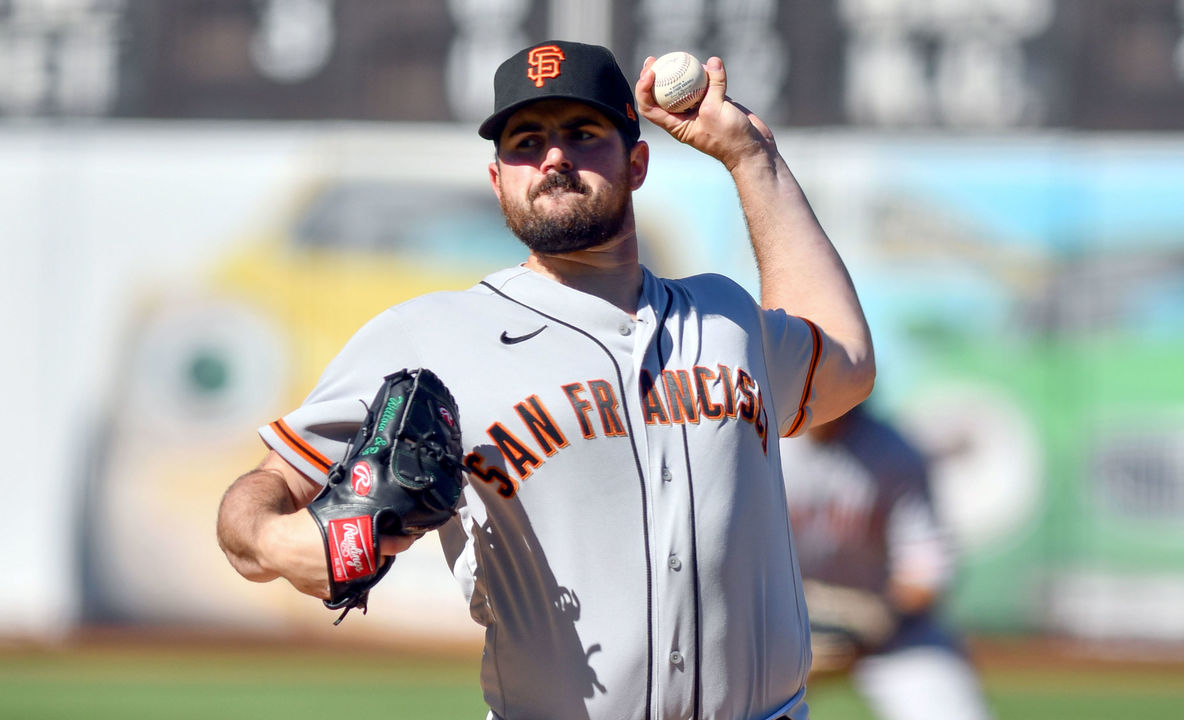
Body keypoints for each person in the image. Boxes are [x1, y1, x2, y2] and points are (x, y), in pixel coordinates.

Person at [216, 40, 874, 720]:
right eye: (527, 141)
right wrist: (276, 541)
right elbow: (257, 499)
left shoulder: (726, 316)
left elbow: (847, 365)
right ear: (499, 179)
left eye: (583, 135)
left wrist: (750, 156)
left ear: (638, 163)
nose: (554, 158)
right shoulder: (431, 336)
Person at [780, 404, 993, 720]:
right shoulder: (757, 444)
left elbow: (926, 571)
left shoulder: (895, 451)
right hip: (780, 627)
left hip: (890, 628)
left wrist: (874, 621)